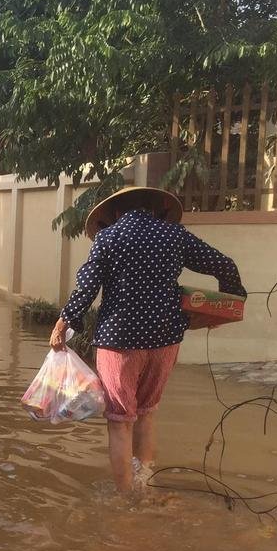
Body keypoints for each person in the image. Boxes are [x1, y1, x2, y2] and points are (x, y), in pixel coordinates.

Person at [50, 186, 246, 492]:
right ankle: (145, 484)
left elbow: (86, 288)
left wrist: (64, 323)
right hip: (165, 340)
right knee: (146, 415)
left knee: (119, 421)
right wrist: (227, 309)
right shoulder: (174, 235)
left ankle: (126, 497)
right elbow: (225, 265)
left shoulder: (109, 238)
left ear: (116, 212)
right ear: (156, 208)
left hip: (119, 342)